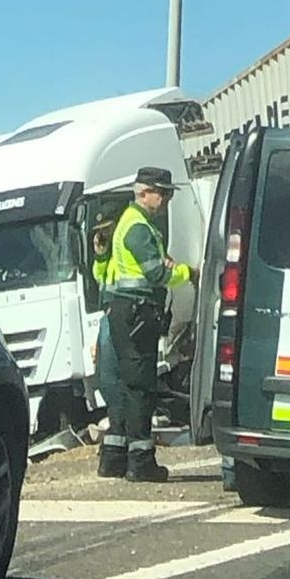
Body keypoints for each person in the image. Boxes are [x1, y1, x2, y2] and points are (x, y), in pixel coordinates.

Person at [92, 167, 197, 482]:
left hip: (118, 311)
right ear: (145, 192)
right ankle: (141, 461)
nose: (165, 200)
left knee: (120, 384)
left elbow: (104, 274)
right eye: (162, 193)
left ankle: (113, 457)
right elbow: (157, 275)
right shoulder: (138, 228)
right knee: (140, 387)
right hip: (137, 312)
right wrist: (188, 273)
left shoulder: (125, 224)